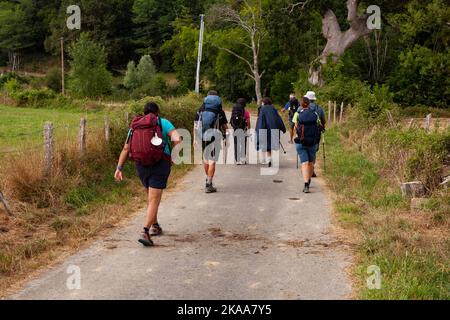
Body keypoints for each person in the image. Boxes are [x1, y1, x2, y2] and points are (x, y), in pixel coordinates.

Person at [115, 102, 181, 247]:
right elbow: (177, 139)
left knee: (151, 198)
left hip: (141, 166)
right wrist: (174, 157)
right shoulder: (162, 122)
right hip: (160, 164)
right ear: (157, 112)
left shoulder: (136, 125)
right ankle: (145, 231)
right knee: (154, 200)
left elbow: (126, 148)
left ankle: (155, 225)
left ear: (144, 112)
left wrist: (119, 168)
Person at [194, 91, 228, 193]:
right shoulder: (219, 111)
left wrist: (195, 139)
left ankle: (207, 179)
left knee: (206, 159)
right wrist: (226, 136)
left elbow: (196, 125)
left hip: (203, 137)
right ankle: (209, 183)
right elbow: (225, 127)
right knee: (212, 160)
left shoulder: (200, 109)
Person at [293, 97, 321, 194]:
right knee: (311, 162)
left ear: (300, 104)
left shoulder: (297, 114)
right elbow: (319, 126)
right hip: (312, 141)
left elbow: (295, 127)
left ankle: (306, 185)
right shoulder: (315, 114)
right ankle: (308, 180)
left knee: (304, 163)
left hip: (301, 142)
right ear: (309, 104)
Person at [255, 97, 287, 167]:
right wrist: (283, 128)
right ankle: (269, 159)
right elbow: (278, 119)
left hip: (264, 129)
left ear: (264, 103)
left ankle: (264, 159)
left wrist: (257, 130)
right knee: (269, 145)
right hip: (273, 129)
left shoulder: (262, 109)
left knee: (264, 144)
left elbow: (260, 120)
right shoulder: (273, 109)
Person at [303, 91, 326, 178]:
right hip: (316, 132)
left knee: (305, 149)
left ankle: (305, 168)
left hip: (304, 132)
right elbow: (323, 120)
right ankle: (311, 170)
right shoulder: (319, 108)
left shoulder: (302, 107)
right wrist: (323, 127)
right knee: (313, 150)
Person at [230, 98, 251, 165]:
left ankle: (237, 160)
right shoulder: (246, 112)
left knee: (236, 144)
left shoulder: (234, 111)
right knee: (243, 144)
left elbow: (232, 120)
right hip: (243, 129)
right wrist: (249, 129)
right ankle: (243, 160)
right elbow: (248, 122)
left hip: (236, 129)